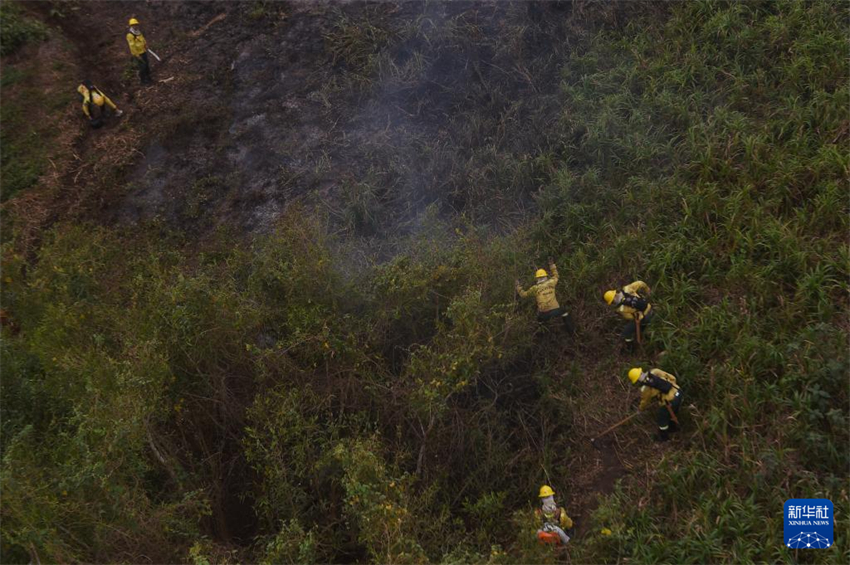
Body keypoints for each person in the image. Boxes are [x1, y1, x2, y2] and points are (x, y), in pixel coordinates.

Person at [516, 258, 575, 333]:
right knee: (565, 312)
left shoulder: (535, 288)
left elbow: (523, 295)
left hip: (544, 314)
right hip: (555, 311)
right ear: (546, 276)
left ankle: (543, 334)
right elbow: (556, 276)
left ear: (537, 278)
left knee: (539, 320)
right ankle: (571, 331)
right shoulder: (551, 282)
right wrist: (552, 265)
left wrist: (518, 286)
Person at [628, 367, 682, 442]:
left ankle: (664, 438)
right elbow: (673, 378)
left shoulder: (645, 388)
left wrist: (640, 409)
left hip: (669, 401)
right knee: (672, 412)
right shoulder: (655, 371)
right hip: (678, 392)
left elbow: (645, 401)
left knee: (662, 418)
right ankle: (673, 428)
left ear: (637, 380)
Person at [603, 280, 652, 350]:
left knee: (626, 332)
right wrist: (647, 290)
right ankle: (644, 333)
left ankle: (631, 349)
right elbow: (640, 283)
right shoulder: (627, 289)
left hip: (644, 317)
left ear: (612, 300)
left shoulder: (621, 309)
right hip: (649, 307)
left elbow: (631, 318)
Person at [126, 17, 152, 85]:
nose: (135, 26)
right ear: (131, 26)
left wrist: (145, 45)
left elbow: (142, 39)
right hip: (138, 54)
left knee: (146, 65)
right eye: (134, 25)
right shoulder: (130, 35)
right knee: (142, 67)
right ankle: (143, 81)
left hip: (143, 51)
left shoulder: (138, 32)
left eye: (136, 24)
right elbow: (132, 46)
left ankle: (148, 77)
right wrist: (137, 55)